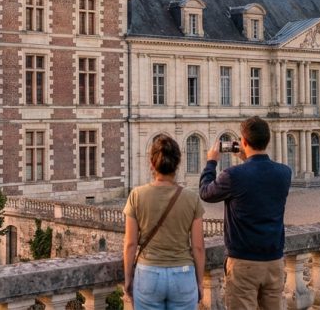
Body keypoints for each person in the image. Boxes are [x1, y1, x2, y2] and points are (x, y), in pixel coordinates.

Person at [199, 116, 291, 310]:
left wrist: (211, 162)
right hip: (274, 261)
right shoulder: (284, 173)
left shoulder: (233, 175)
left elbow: (205, 193)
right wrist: (247, 159)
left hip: (244, 263)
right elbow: (258, 180)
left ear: (244, 142)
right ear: (267, 141)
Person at [123, 134, 206, 310]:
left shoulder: (137, 195)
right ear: (178, 164)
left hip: (148, 274)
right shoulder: (192, 198)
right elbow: (198, 247)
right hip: (183, 274)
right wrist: (200, 282)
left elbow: (130, 244)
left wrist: (128, 278)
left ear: (152, 164)